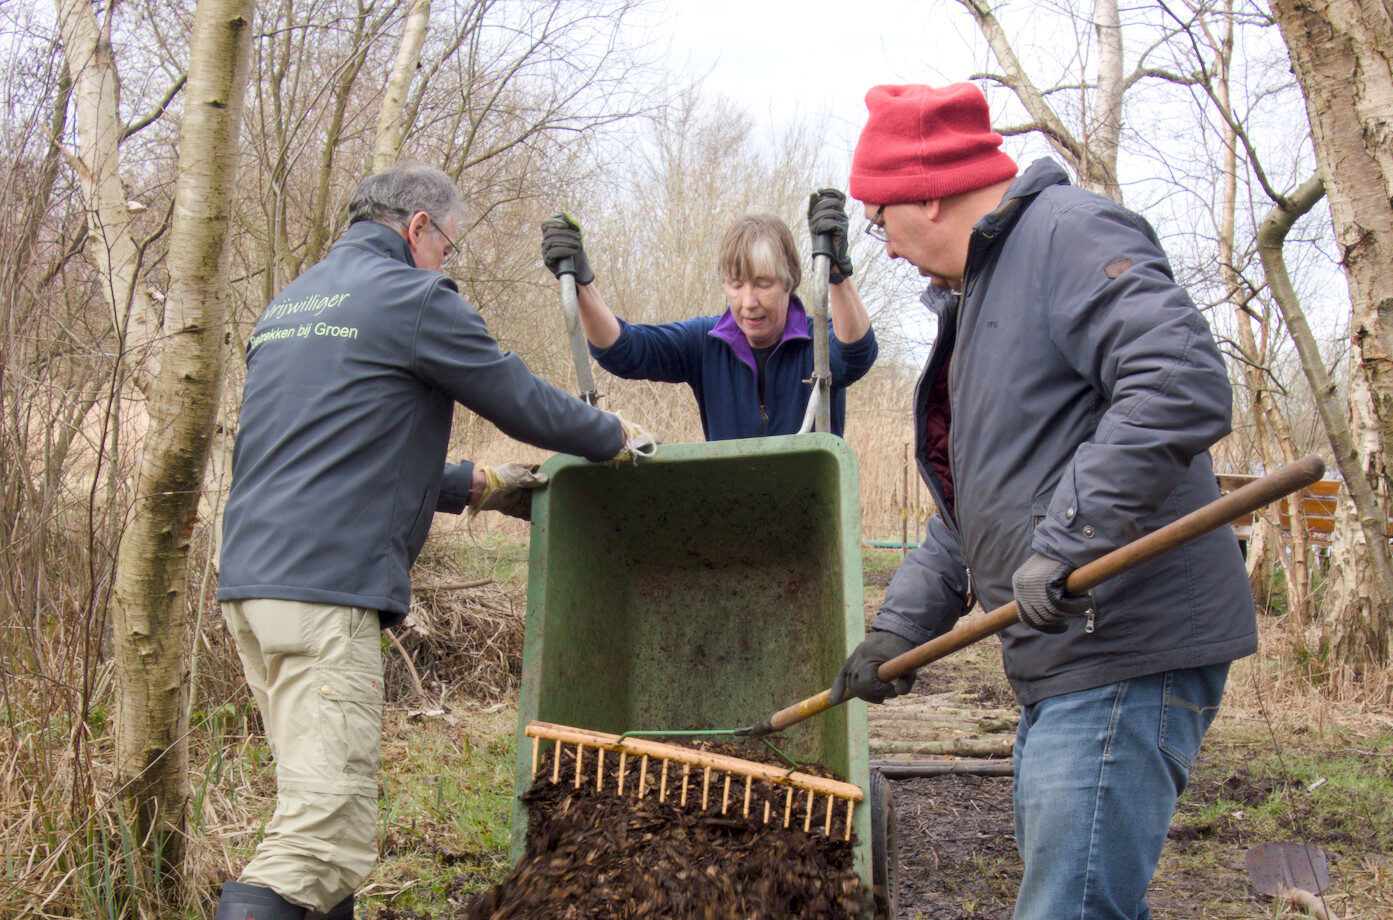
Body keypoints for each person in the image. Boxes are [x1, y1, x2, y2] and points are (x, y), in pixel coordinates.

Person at [828, 83, 1256, 920]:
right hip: (1065, 658)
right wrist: (898, 632)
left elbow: (1181, 381)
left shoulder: (1067, 234)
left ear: (925, 190)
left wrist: (1070, 540)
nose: (883, 246)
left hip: (1125, 643)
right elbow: (973, 506)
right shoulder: (979, 296)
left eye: (878, 219)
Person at [213, 164, 652, 920]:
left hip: (253, 585)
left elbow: (333, 451)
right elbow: (517, 396)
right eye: (448, 244)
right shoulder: (412, 297)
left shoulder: (292, 305)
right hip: (324, 594)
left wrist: (468, 485)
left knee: (312, 814)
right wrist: (613, 436)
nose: (446, 261)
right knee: (318, 845)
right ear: (418, 226)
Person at [538, 193, 878, 440]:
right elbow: (622, 350)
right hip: (727, 517)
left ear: (789, 281)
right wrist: (581, 284)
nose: (748, 302)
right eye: (735, 284)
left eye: (763, 284)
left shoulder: (817, 343)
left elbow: (856, 352)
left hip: (813, 518)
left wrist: (834, 270)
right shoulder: (706, 343)